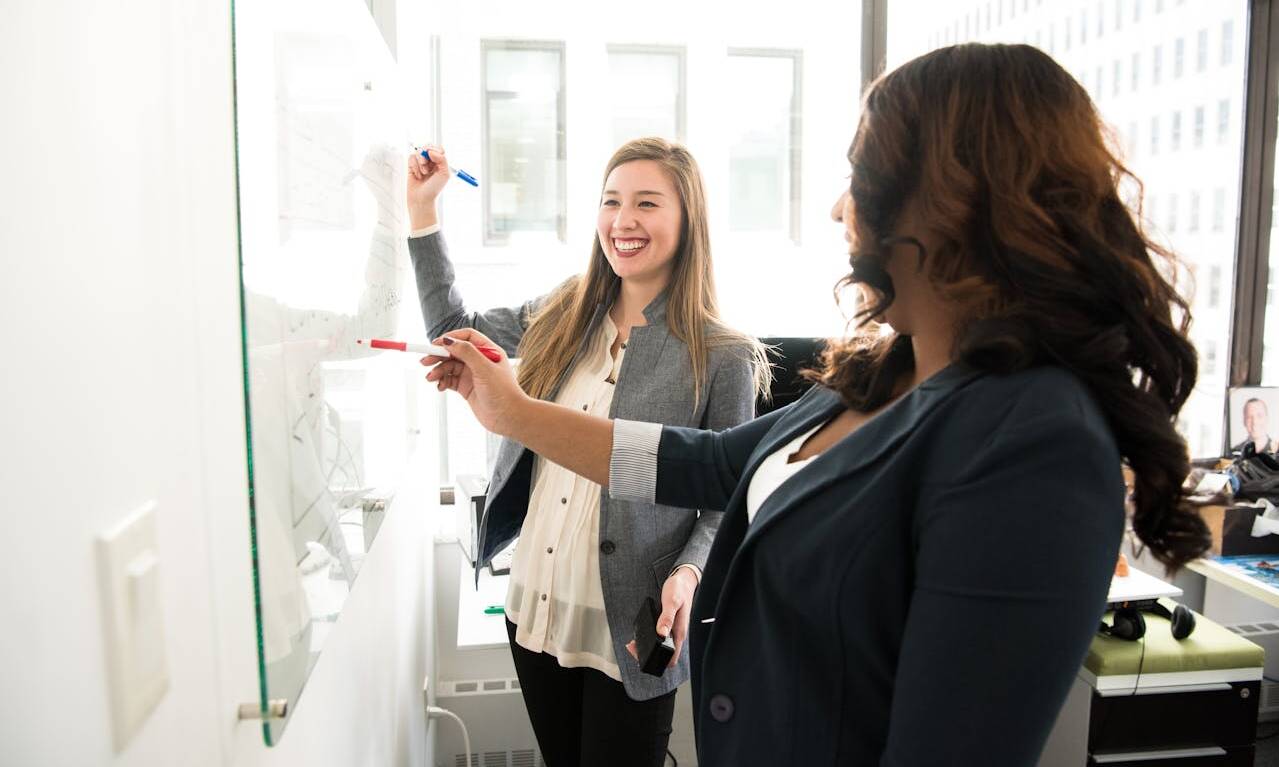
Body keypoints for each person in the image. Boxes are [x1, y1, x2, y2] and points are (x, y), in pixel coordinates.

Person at [422, 44, 1212, 765]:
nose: (839, 209)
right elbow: (708, 463)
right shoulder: (876, 376)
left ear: (948, 198)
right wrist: (512, 412)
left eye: (859, 175)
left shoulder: (1033, 439)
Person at [406, 137, 769, 766]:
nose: (623, 220)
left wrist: (690, 573)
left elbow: (727, 498)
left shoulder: (724, 355)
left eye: (647, 203)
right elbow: (451, 331)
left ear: (688, 220)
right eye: (611, 201)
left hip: (630, 623)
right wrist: (422, 212)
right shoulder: (564, 310)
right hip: (535, 606)